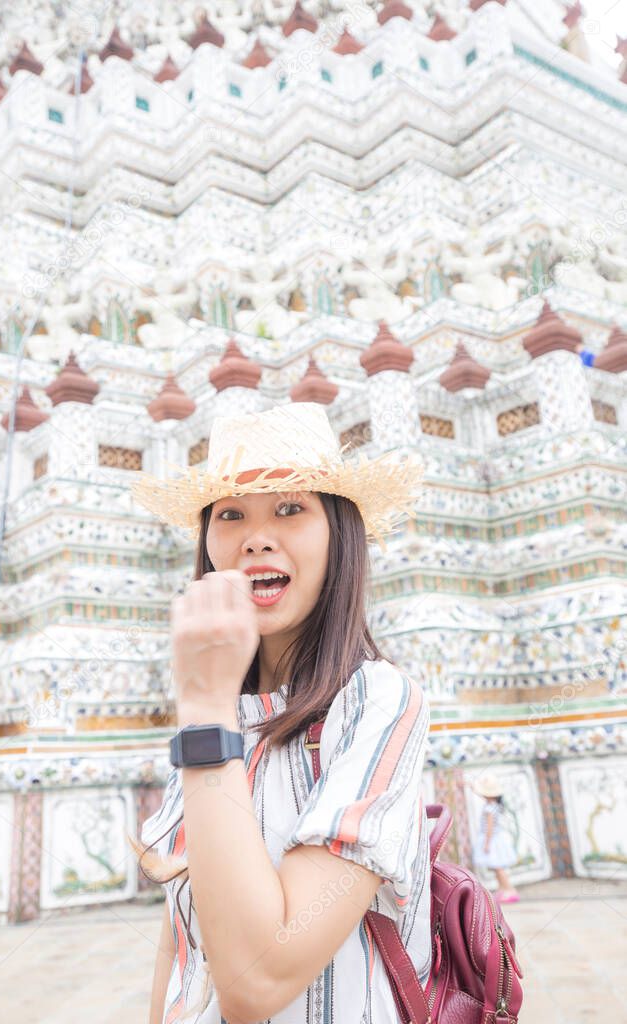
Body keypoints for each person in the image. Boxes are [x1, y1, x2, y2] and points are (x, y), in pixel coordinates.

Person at [127, 401, 430, 1024]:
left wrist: (205, 706)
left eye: (291, 509)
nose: (256, 536)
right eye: (231, 514)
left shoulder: (376, 700)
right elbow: (184, 936)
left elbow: (255, 982)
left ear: (338, 536)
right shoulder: (218, 717)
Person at [470, 773, 519, 904]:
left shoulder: (489, 808)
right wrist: (471, 786)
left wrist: (486, 843)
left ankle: (510, 890)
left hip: (492, 840)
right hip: (495, 839)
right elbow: (481, 794)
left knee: (498, 867)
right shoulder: (493, 804)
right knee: (496, 867)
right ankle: (503, 889)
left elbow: (490, 828)